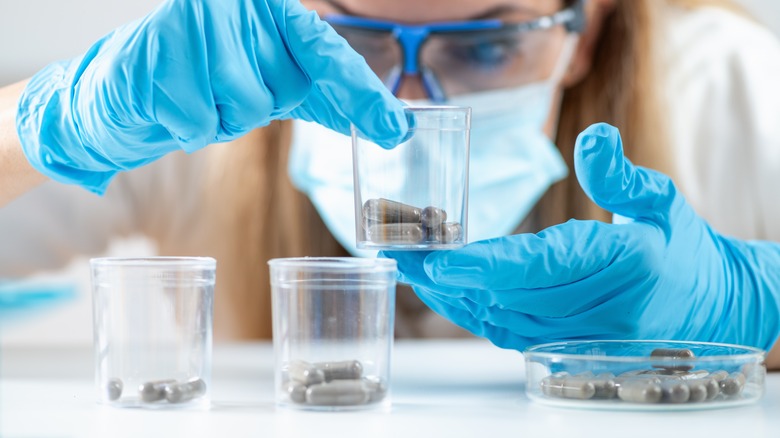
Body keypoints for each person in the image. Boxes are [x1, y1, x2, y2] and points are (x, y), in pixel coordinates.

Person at [0, 0, 778, 369]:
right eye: (349, 39)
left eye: (487, 47)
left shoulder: (736, 89)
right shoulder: (200, 99)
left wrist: (755, 308)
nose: (408, 103)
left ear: (588, 33)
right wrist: (48, 122)